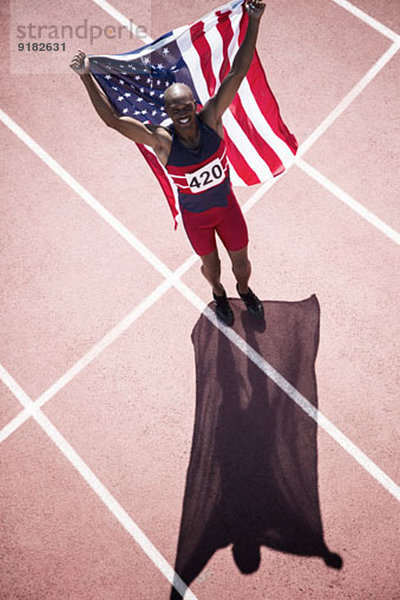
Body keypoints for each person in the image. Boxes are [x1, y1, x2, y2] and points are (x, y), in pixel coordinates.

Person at [70, 0, 266, 326]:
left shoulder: (212, 119)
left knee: (241, 263)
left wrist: (255, 21)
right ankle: (219, 294)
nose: (183, 113)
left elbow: (238, 71)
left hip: (227, 208)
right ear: (168, 112)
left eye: (186, 106)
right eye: (175, 110)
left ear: (194, 102)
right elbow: (114, 121)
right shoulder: (163, 142)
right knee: (212, 268)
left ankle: (244, 291)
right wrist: (86, 77)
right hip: (196, 219)